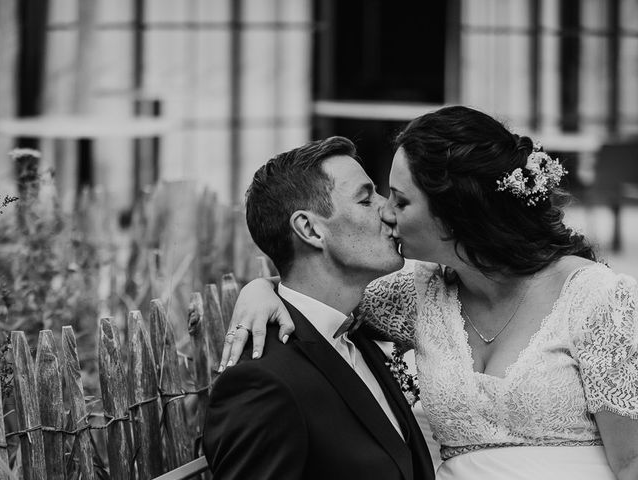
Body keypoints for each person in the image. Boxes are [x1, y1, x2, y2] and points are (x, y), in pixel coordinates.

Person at [220, 106, 638, 480]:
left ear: (455, 214)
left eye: (400, 201)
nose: (385, 211)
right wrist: (262, 288)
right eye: (375, 198)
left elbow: (632, 463)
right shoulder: (415, 295)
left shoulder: (598, 300)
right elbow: (320, 293)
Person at [202, 136, 435, 480]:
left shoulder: (363, 336)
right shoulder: (262, 382)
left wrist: (262, 285)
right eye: (366, 198)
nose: (388, 210)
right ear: (310, 229)